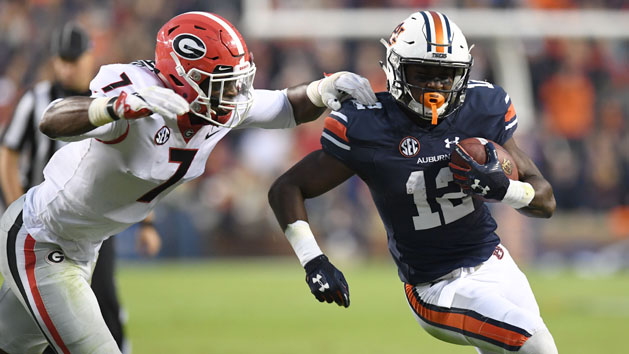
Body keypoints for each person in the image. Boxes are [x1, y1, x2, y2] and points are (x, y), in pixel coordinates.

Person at [0, 11, 376, 354]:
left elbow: (284, 106)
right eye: (223, 85)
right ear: (185, 80)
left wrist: (324, 90)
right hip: (41, 237)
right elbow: (51, 119)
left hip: (85, 245)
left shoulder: (212, 107)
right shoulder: (138, 98)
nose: (234, 95)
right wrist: (118, 106)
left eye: (236, 83)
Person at [268, 10, 558, 354]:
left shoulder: (482, 108)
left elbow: (545, 201)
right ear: (394, 68)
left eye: (445, 76)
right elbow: (286, 187)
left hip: (496, 262)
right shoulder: (369, 125)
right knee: (534, 342)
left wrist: (505, 189)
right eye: (422, 73)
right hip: (436, 288)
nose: (434, 86)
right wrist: (313, 259)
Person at [0, 22, 161, 353]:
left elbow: (139, 167)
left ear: (90, 57)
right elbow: (8, 154)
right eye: (61, 59)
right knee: (31, 312)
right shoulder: (37, 99)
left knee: (103, 298)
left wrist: (147, 224)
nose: (66, 67)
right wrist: (16, 205)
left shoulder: (107, 98)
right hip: (41, 219)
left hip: (94, 222)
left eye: (73, 59)